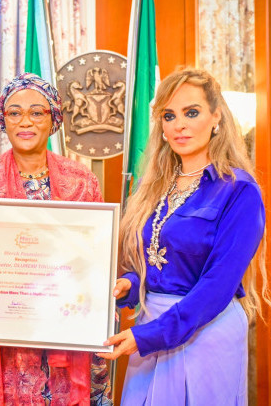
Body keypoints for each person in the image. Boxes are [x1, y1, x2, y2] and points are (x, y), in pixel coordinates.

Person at [0, 73, 110, 405]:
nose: (25, 121)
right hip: (3, 342)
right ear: (4, 120)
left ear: (53, 119)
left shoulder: (82, 182)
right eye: (14, 112)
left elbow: (95, 262)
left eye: (37, 112)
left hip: (63, 333)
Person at [99, 68, 270, 405]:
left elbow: (217, 286)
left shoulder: (239, 190)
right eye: (169, 115)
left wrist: (150, 335)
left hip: (205, 331)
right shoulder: (153, 186)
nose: (179, 125)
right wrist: (131, 284)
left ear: (216, 117)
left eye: (191, 112)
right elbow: (161, 260)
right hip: (150, 326)